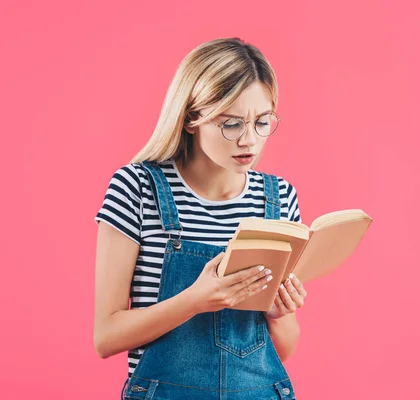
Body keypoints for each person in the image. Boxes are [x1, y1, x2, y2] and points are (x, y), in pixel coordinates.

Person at [93, 37, 307, 400]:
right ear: (192, 118)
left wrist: (278, 313)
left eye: (262, 121)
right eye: (231, 124)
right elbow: (106, 337)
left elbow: (281, 351)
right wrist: (196, 299)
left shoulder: (279, 198)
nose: (249, 141)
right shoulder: (137, 188)